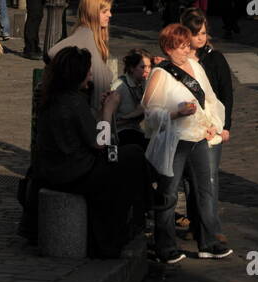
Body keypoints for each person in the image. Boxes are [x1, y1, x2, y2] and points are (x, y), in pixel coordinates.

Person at [33, 48, 145, 258]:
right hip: (75, 173)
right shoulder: (73, 102)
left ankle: (147, 205)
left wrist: (102, 111)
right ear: (77, 74)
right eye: (88, 72)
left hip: (56, 170)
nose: (91, 76)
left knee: (129, 156)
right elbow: (100, 142)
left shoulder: (52, 98)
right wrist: (109, 110)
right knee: (133, 156)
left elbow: (86, 132)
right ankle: (135, 219)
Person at [143, 23, 231, 265]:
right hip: (175, 140)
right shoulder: (160, 73)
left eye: (186, 46)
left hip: (199, 138)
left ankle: (209, 242)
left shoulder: (194, 66)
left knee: (205, 190)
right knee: (168, 193)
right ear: (168, 49)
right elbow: (150, 113)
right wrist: (175, 113)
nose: (186, 51)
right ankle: (165, 247)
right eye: (180, 47)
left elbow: (210, 99)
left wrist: (213, 123)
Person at [48, 0, 119, 116]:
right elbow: (52, 52)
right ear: (92, 13)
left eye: (109, 10)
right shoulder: (84, 35)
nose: (110, 15)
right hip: (90, 118)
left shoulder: (92, 37)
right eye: (104, 11)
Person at [112, 49, 152, 148]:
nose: (147, 70)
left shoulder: (144, 83)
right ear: (131, 68)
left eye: (149, 67)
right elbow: (109, 119)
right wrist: (128, 117)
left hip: (135, 129)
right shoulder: (119, 87)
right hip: (120, 133)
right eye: (143, 67)